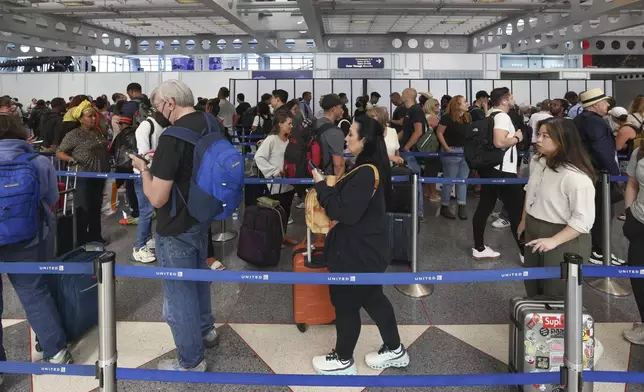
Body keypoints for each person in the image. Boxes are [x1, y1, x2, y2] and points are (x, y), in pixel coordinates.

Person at [128, 79, 218, 372]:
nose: (158, 112)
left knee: (178, 297)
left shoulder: (172, 137)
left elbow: (156, 198)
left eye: (157, 106)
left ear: (169, 103)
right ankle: (207, 330)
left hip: (175, 223)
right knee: (198, 279)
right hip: (202, 214)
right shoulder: (210, 122)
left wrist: (144, 169)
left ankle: (191, 361)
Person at [311, 116, 409, 375]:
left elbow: (345, 213)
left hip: (357, 252)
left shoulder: (366, 172)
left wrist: (322, 185)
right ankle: (395, 349)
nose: (346, 138)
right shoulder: (370, 167)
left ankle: (343, 359)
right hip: (368, 248)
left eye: (351, 134)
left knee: (345, 302)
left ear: (364, 141)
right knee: (373, 298)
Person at [0, 114, 73, 368]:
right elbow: (52, 197)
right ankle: (56, 351)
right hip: (29, 238)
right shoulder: (38, 161)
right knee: (34, 292)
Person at [519, 117, 595, 296]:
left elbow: (583, 220)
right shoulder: (540, 162)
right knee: (532, 284)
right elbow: (530, 191)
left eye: (545, 136)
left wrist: (553, 241)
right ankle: (535, 321)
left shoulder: (576, 177)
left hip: (563, 237)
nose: (538, 139)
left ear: (562, 140)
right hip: (533, 229)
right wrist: (524, 220)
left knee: (556, 290)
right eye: (539, 134)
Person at [471, 87, 525, 261]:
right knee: (517, 211)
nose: (513, 98)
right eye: (511, 96)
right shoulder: (502, 116)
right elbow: (500, 142)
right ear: (504, 100)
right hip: (502, 170)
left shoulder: (491, 115)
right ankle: (525, 253)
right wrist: (517, 137)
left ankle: (479, 248)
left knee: (485, 206)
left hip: (491, 168)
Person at [573, 88, 624, 265]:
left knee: (597, 211)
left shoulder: (580, 119)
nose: (608, 104)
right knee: (603, 213)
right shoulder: (595, 123)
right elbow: (601, 150)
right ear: (595, 105)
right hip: (600, 174)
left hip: (587, 170)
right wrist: (614, 174)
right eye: (604, 101)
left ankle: (597, 249)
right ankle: (600, 251)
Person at [56, 101, 110, 245]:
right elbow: (59, 152)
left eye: (94, 116)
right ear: (80, 118)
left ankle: (95, 236)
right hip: (83, 176)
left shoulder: (97, 131)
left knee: (96, 206)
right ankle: (81, 239)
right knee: (84, 207)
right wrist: (71, 159)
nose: (93, 119)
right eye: (89, 116)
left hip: (99, 175)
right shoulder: (73, 135)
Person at [130, 111, 171, 264]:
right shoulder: (146, 127)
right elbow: (143, 156)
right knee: (146, 211)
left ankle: (146, 240)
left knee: (151, 210)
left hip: (154, 173)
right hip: (143, 174)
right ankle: (139, 247)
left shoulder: (163, 127)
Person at [254, 111, 298, 246]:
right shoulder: (271, 139)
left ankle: (283, 236)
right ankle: (275, 240)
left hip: (289, 183)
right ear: (280, 124)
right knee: (276, 213)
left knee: (286, 211)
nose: (291, 126)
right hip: (276, 185)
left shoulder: (291, 140)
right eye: (289, 123)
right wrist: (273, 171)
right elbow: (258, 157)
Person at [622, 142, 644, 344]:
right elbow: (632, 183)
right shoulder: (640, 152)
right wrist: (629, 213)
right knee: (638, 278)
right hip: (639, 221)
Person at [436, 95, 471, 220]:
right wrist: (446, 148)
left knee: (463, 180)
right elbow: (439, 132)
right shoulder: (447, 118)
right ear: (457, 104)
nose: (467, 103)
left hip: (464, 152)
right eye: (465, 102)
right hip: (451, 151)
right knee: (449, 180)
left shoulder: (467, 117)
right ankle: (445, 206)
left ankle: (462, 205)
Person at [400, 88, 427, 221]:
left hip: (411, 153)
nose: (401, 95)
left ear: (408, 96)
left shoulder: (415, 110)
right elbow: (405, 131)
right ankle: (414, 210)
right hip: (406, 151)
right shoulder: (409, 111)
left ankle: (418, 212)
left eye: (403, 93)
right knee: (411, 182)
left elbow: (418, 131)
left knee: (415, 182)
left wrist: (407, 147)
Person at [318, 94, 346, 178]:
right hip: (327, 178)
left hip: (312, 173)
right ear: (333, 109)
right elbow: (338, 165)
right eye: (340, 107)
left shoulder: (314, 124)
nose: (342, 110)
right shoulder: (335, 132)